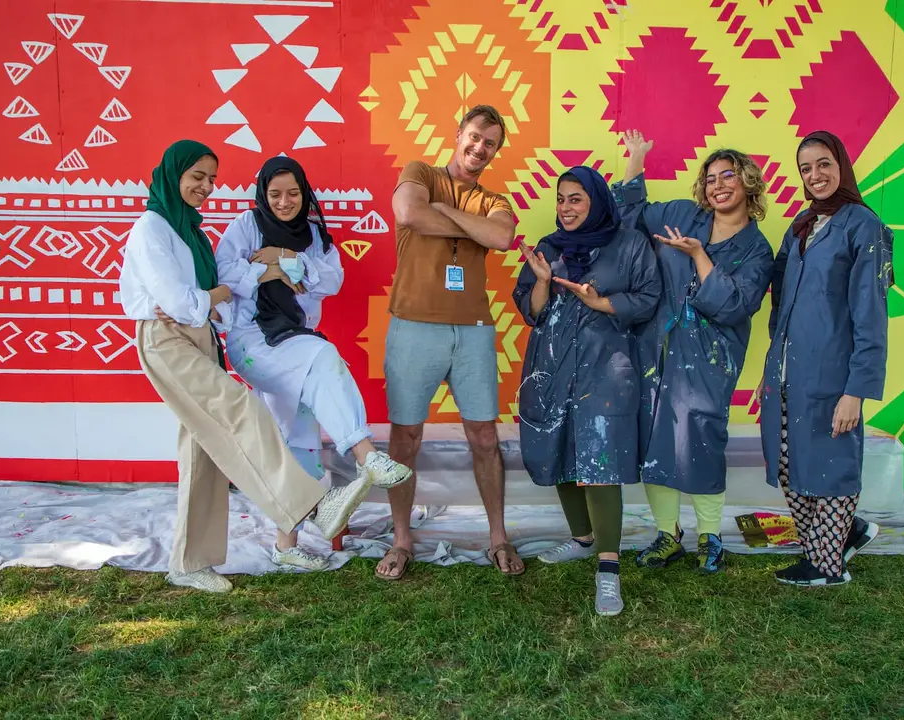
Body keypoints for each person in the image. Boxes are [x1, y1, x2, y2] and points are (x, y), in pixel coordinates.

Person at [118, 139, 373, 593]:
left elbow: (215, 305)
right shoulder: (151, 229)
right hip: (168, 341)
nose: (205, 187)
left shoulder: (188, 231)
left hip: (200, 337)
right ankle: (313, 507)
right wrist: (208, 299)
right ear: (172, 174)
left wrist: (210, 300)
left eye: (211, 179)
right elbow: (188, 300)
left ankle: (188, 562)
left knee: (202, 453)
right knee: (244, 412)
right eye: (197, 176)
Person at [214, 156, 413, 571]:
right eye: (275, 194)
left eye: (293, 193)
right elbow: (227, 275)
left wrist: (283, 256)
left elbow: (331, 280)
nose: (285, 202)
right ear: (263, 195)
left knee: (299, 436)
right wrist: (272, 271)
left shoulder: (315, 235)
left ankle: (286, 543)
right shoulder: (244, 227)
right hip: (255, 343)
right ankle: (365, 454)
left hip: (295, 340)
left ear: (304, 193)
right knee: (325, 358)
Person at [612, 130, 775, 573]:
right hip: (655, 349)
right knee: (654, 441)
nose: (718, 185)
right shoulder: (684, 216)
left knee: (701, 440)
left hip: (709, 359)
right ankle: (668, 535)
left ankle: (710, 535)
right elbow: (632, 217)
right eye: (710, 179)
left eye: (728, 176)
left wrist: (701, 257)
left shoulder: (758, 250)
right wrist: (636, 159)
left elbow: (735, 305)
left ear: (748, 184)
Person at [377, 105, 522, 580]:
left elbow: (502, 237)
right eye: (475, 137)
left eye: (490, 144)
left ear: (496, 151)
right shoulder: (420, 172)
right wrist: (452, 217)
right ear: (458, 134)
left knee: (484, 436)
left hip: (474, 331)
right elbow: (406, 211)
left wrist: (440, 213)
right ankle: (402, 540)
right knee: (406, 438)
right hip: (413, 325)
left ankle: (497, 537)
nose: (480, 148)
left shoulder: (496, 199)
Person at [514, 165, 661, 616]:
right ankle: (582, 538)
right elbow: (530, 311)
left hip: (606, 367)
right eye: (561, 199)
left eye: (576, 199)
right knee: (557, 449)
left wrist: (602, 303)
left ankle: (608, 571)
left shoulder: (630, 243)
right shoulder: (548, 248)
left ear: (596, 201)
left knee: (601, 460)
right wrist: (541, 282)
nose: (565, 207)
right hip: (552, 367)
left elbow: (649, 296)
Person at [760, 130, 891, 587]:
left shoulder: (863, 226)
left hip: (834, 373)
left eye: (823, 165)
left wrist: (856, 391)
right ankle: (843, 533)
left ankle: (826, 566)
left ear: (841, 166)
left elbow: (871, 316)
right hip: (788, 370)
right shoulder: (800, 225)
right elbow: (778, 300)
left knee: (831, 465)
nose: (815, 176)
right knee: (788, 462)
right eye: (805, 168)